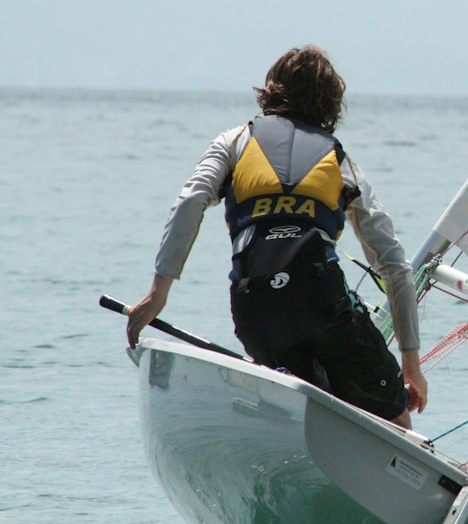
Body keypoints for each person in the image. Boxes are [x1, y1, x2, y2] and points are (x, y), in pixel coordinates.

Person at [126, 45, 427, 429]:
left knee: (301, 413)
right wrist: (411, 366)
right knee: (394, 421)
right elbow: (395, 268)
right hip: (323, 308)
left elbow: (190, 202)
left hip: (255, 310)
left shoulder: (233, 143)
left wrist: (158, 294)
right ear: (332, 105)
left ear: (270, 91)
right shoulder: (341, 163)